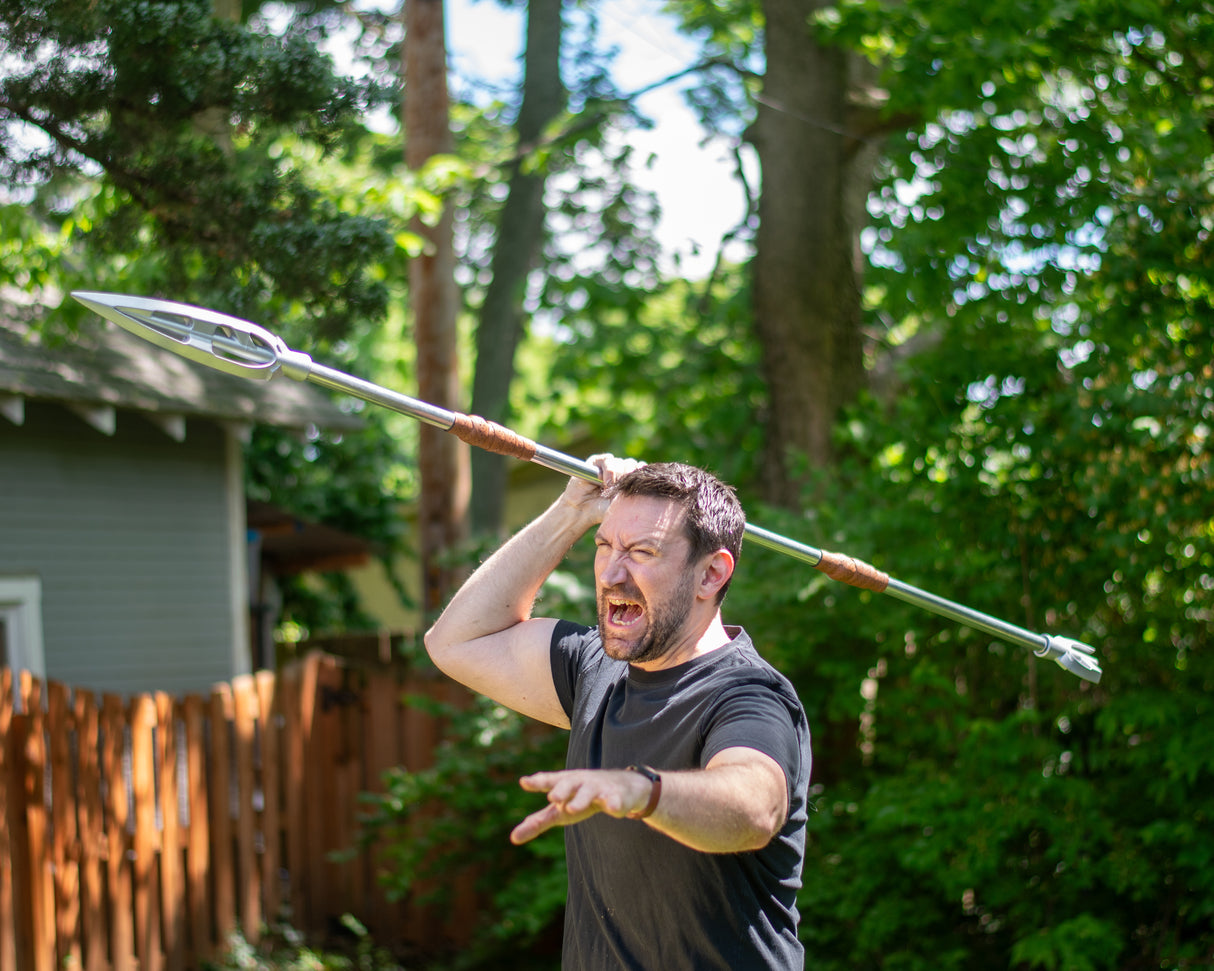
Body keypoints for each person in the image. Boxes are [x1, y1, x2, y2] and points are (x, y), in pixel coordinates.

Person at [425, 456, 812, 969]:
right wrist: (571, 511)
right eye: (604, 545)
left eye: (642, 552)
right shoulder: (595, 667)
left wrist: (641, 791)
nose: (610, 573)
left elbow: (753, 808)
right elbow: (456, 641)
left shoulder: (749, 694)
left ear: (712, 573)